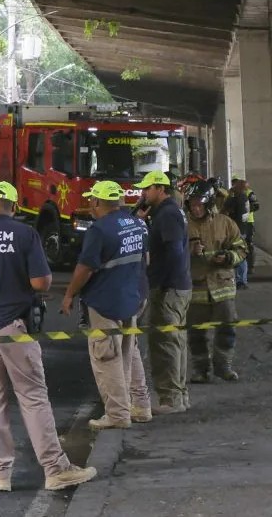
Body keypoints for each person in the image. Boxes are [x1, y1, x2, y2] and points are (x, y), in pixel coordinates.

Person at [0, 181, 96, 493]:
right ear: (13, 207)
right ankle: (55, 469)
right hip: (14, 329)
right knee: (32, 397)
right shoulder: (24, 234)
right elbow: (41, 282)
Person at [59, 181, 149, 430]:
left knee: (107, 357)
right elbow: (144, 260)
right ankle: (140, 406)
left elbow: (85, 268)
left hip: (105, 301)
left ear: (97, 202)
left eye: (92, 201)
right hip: (132, 298)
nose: (90, 205)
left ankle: (118, 415)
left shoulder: (99, 230)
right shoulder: (137, 224)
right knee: (128, 354)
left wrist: (69, 295)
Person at [134, 170, 193, 415]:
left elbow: (174, 252)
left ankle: (170, 400)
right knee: (176, 342)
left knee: (165, 344)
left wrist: (160, 283)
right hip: (178, 286)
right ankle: (179, 396)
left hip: (169, 289)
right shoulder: (168, 212)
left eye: (146, 189)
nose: (142, 193)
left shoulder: (167, 214)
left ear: (160, 188)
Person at [184, 180, 248, 382]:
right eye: (192, 204)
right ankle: (200, 371)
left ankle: (223, 366)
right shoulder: (182, 225)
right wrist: (188, 251)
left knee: (227, 329)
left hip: (223, 287)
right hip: (196, 288)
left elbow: (242, 249)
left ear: (209, 203)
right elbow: (170, 254)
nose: (196, 208)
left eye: (199, 204)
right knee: (196, 335)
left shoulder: (225, 223)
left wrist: (229, 257)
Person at [224, 176, 259, 289]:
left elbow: (225, 209)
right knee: (242, 252)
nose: (233, 186)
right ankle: (241, 279)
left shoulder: (238, 198)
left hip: (238, 229)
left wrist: (229, 196)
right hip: (243, 228)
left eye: (235, 185)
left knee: (239, 253)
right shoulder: (244, 197)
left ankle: (241, 280)